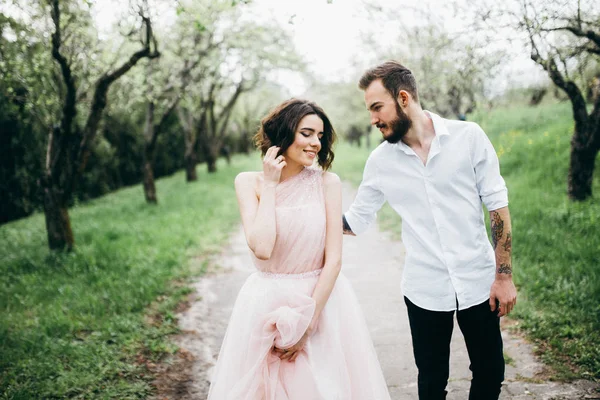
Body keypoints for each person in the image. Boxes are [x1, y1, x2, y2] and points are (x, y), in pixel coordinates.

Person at [343, 61, 517, 400]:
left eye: (377, 107)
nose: (373, 119)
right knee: (432, 380)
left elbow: (497, 208)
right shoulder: (380, 162)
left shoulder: (469, 137)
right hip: (424, 287)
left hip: (479, 281)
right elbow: (357, 220)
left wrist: (504, 276)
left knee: (490, 371)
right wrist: (305, 214)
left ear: (403, 98)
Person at [207, 99, 391, 400]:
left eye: (320, 136)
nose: (315, 143)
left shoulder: (327, 183)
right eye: (306, 133)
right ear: (284, 132)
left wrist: (308, 321)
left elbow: (334, 260)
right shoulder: (248, 183)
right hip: (264, 302)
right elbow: (263, 248)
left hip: (320, 302)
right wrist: (269, 185)